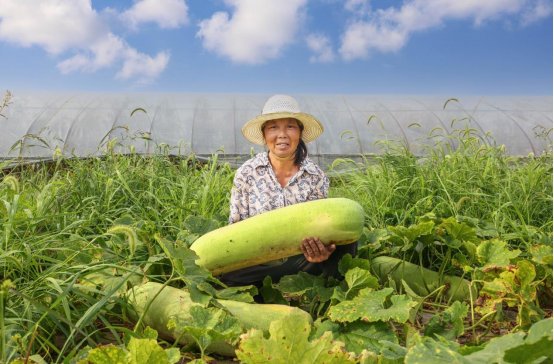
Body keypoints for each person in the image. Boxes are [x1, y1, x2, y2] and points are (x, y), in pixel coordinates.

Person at [219, 95, 358, 289]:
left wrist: (320, 252)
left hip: (300, 263)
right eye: (274, 127)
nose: (282, 134)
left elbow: (319, 230)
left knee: (347, 241)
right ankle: (269, 291)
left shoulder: (316, 176)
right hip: (256, 262)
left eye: (290, 127)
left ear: (299, 132)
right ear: (264, 134)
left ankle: (321, 292)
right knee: (221, 279)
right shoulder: (246, 173)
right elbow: (234, 228)